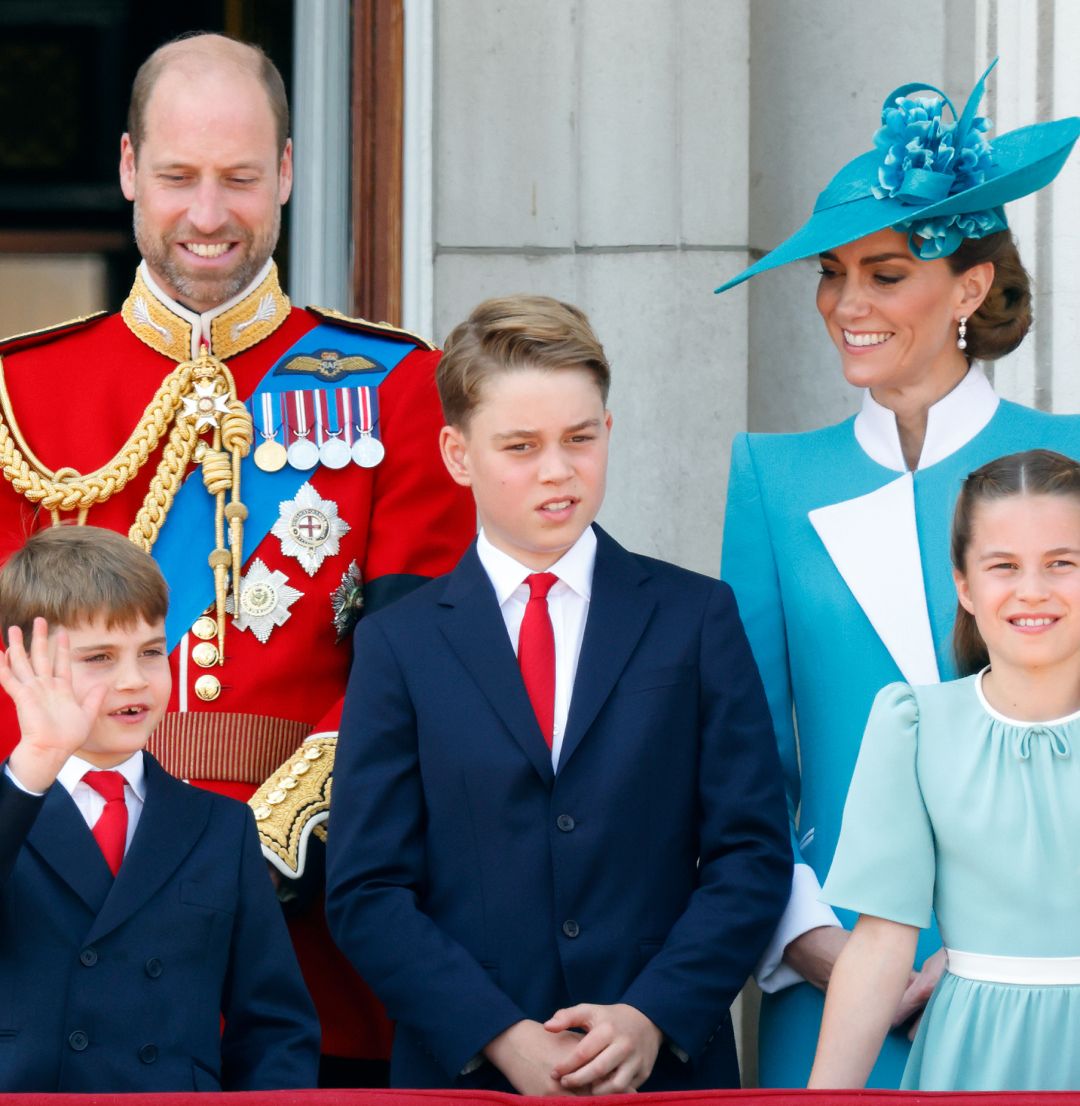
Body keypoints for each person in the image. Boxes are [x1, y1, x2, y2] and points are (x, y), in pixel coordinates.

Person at [0, 32, 475, 1083]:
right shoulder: (21, 397)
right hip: (63, 939)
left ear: (290, 174)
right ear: (128, 168)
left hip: (314, 946)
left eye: (240, 179)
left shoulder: (398, 387)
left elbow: (417, 678)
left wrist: (261, 842)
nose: (208, 215)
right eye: (177, 177)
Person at [324, 294, 792, 1093]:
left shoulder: (695, 616)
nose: (557, 470)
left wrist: (653, 1014)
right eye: (520, 446)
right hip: (463, 1075)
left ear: (608, 433)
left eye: (580, 439)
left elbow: (750, 854)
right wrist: (496, 1034)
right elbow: (367, 890)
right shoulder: (398, 644)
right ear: (457, 454)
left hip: (664, 1068)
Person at [715, 62, 1080, 1086]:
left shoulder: (1070, 461)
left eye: (884, 274)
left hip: (1046, 982)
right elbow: (741, 760)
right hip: (833, 991)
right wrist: (813, 945)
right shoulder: (771, 477)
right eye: (832, 273)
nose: (845, 303)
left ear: (968, 284)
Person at [0, 525, 319, 1093]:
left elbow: (274, 1026)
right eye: (99, 657)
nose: (134, 680)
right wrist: (39, 757)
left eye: (150, 652)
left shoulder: (222, 827)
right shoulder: (13, 804)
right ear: (25, 664)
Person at [808, 448, 1080, 1090]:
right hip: (971, 1057)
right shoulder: (916, 726)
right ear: (964, 584)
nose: (1033, 590)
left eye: (1061, 564)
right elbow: (879, 946)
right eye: (1003, 566)